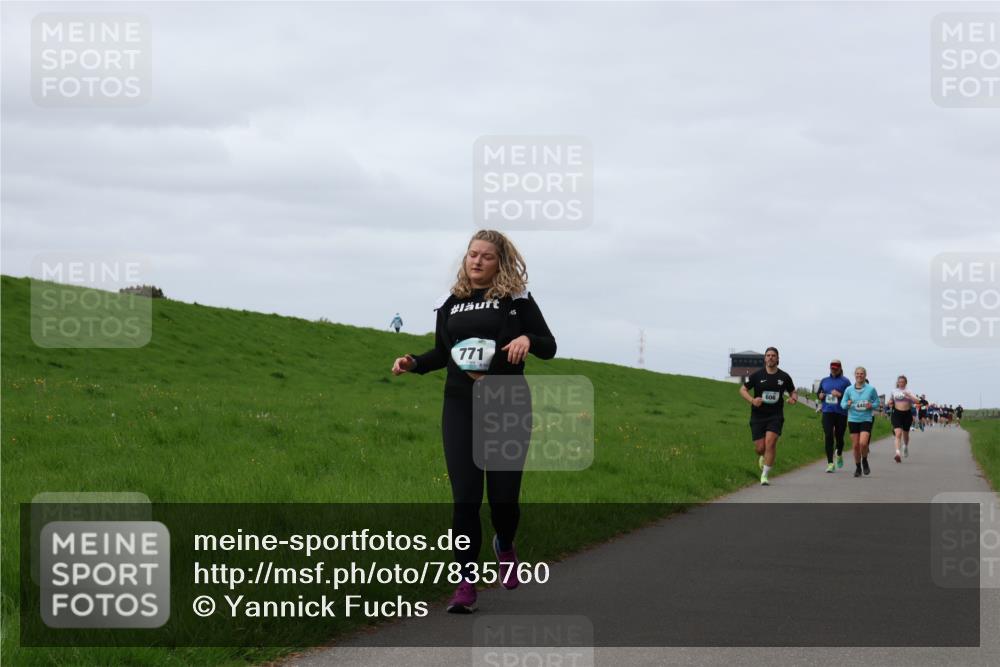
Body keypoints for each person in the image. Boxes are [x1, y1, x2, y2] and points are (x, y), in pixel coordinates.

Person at [391, 229, 556, 613]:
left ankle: (505, 543)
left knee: (502, 502)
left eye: (486, 256)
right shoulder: (449, 303)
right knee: (465, 499)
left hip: (506, 404)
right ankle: (465, 584)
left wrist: (527, 340)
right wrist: (414, 363)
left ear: (500, 262)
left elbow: (549, 345)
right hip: (460, 405)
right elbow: (441, 353)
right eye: (472, 254)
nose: (476, 261)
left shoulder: (516, 301)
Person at [739, 347, 798, 486]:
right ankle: (762, 456)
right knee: (760, 448)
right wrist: (752, 400)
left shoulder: (784, 377)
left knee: (770, 443)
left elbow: (793, 391)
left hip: (775, 416)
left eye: (773, 355)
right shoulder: (757, 375)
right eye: (768, 355)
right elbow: (742, 389)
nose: (770, 357)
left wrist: (793, 399)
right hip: (758, 416)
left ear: (778, 359)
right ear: (765, 358)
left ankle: (764, 476)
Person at [841, 367, 880, 478]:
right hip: (853, 419)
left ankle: (865, 460)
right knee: (855, 446)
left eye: (861, 374)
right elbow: (842, 404)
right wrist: (847, 404)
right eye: (857, 373)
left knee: (863, 443)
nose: (859, 375)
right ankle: (858, 467)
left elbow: (877, 402)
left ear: (865, 375)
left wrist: (871, 405)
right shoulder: (849, 390)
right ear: (855, 375)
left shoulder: (871, 389)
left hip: (866, 419)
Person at [816, 359, 850, 472]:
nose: (834, 371)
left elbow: (850, 397)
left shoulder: (846, 382)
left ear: (840, 369)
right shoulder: (825, 380)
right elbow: (819, 393)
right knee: (828, 435)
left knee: (839, 437)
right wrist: (820, 395)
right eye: (832, 369)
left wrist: (840, 395)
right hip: (827, 411)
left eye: (836, 369)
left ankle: (839, 453)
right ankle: (830, 463)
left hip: (841, 412)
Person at [888, 375, 921, 462]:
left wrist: (909, 395)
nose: (901, 383)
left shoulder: (909, 391)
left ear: (905, 383)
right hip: (896, 414)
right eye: (899, 382)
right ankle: (897, 453)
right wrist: (890, 403)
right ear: (897, 383)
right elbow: (890, 401)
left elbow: (917, 401)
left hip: (907, 414)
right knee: (898, 434)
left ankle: (905, 446)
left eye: (903, 382)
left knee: (905, 434)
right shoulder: (894, 391)